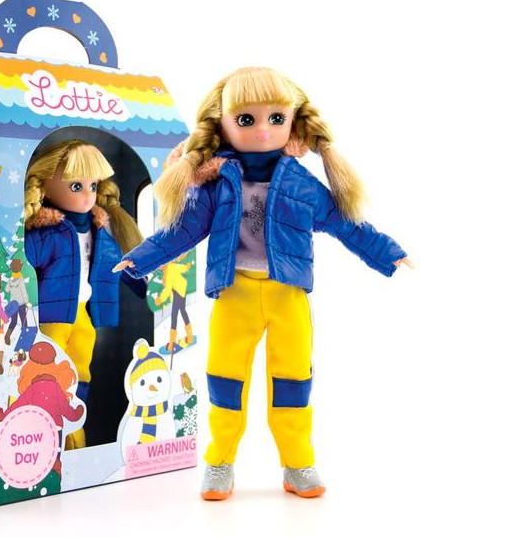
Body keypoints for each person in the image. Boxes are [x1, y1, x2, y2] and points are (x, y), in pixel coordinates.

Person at [115, 67, 411, 500]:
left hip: (286, 295)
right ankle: (219, 463)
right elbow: (182, 231)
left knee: (293, 381)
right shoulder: (218, 183)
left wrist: (386, 251)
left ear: (293, 121)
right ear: (222, 124)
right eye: (246, 119)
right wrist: (139, 259)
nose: (262, 130)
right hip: (233, 293)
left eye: (276, 118)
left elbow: (347, 224)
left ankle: (298, 462)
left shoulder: (301, 185)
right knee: (224, 380)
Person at [24, 139, 145, 447]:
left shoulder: (99, 231)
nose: (88, 194)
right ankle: (49, 430)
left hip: (81, 313)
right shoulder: (46, 232)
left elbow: (119, 263)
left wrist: (149, 287)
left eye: (92, 185)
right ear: (45, 186)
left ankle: (74, 424)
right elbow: (21, 261)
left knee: (81, 368)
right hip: (52, 315)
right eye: (76, 186)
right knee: (51, 370)